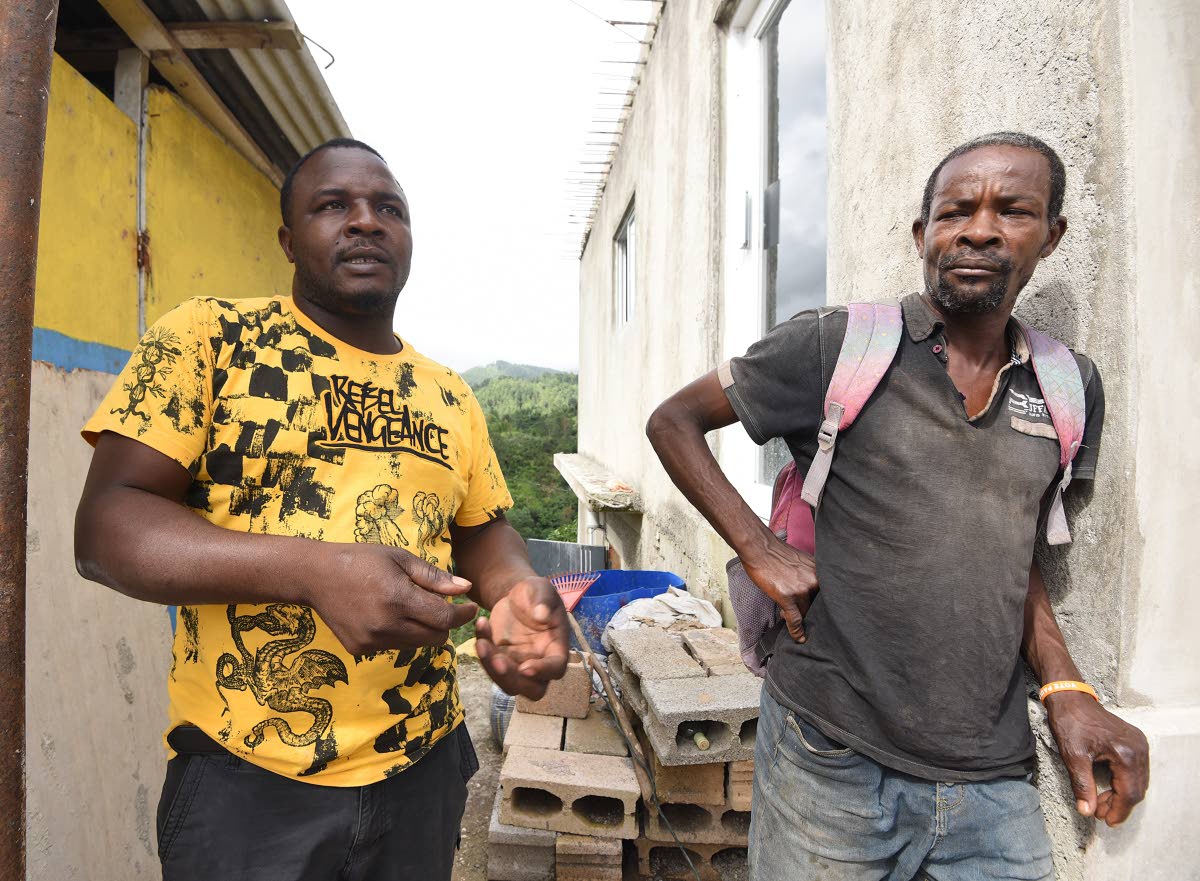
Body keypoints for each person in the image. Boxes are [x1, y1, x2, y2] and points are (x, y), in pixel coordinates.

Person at [646, 132, 1149, 880]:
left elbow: (1017, 557)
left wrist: (1068, 689)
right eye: (956, 212)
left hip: (991, 773)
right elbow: (673, 420)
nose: (979, 228)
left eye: (1012, 209)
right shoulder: (835, 345)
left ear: (1053, 235)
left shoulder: (1068, 386)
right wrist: (757, 546)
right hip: (831, 752)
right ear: (924, 235)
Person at [75, 138, 570, 881]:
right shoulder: (211, 339)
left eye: (388, 209)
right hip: (248, 784)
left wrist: (516, 594)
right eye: (334, 205)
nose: (365, 221)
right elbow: (107, 525)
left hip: (422, 765)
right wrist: (313, 570)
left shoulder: (449, 394)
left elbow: (485, 532)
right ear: (288, 239)